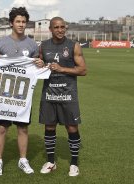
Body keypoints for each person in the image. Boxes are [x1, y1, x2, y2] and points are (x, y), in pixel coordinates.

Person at [0, 7, 44, 176]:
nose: (21, 24)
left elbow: (36, 64)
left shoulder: (32, 44)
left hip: (23, 96)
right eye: (18, 21)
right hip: (4, 95)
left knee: (23, 129)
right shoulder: (0, 43)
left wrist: (40, 63)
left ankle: (23, 160)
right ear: (11, 23)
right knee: (2, 129)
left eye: (23, 22)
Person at [39, 17, 87, 177]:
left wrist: (62, 69)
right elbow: (38, 66)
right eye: (56, 27)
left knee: (72, 128)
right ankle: (51, 162)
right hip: (49, 93)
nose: (60, 30)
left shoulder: (73, 45)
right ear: (50, 29)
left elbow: (83, 70)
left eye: (62, 27)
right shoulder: (44, 46)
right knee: (49, 127)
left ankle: (74, 164)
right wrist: (38, 64)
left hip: (68, 94)